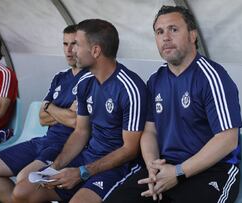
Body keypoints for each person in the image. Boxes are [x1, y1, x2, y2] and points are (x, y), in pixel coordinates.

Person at [105, 5, 242, 203]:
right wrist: (153, 166)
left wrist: (178, 172)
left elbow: (228, 139)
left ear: (192, 35)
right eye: (159, 32)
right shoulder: (156, 80)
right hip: (166, 166)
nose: (165, 37)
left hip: (211, 171)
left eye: (174, 29)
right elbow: (149, 131)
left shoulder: (212, 77)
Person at [11, 19, 147, 203]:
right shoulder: (85, 83)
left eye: (77, 44)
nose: (72, 50)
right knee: (23, 192)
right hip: (87, 156)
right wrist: (55, 166)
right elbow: (81, 132)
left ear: (96, 50)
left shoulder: (130, 88)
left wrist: (83, 172)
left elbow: (129, 150)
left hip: (117, 166)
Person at [0, 25, 91, 203]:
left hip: (65, 146)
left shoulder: (91, 78)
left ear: (85, 45)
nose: (68, 50)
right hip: (44, 140)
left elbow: (76, 121)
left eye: (74, 44)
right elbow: (41, 118)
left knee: (24, 180)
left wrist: (50, 108)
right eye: (65, 44)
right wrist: (60, 112)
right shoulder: (60, 76)